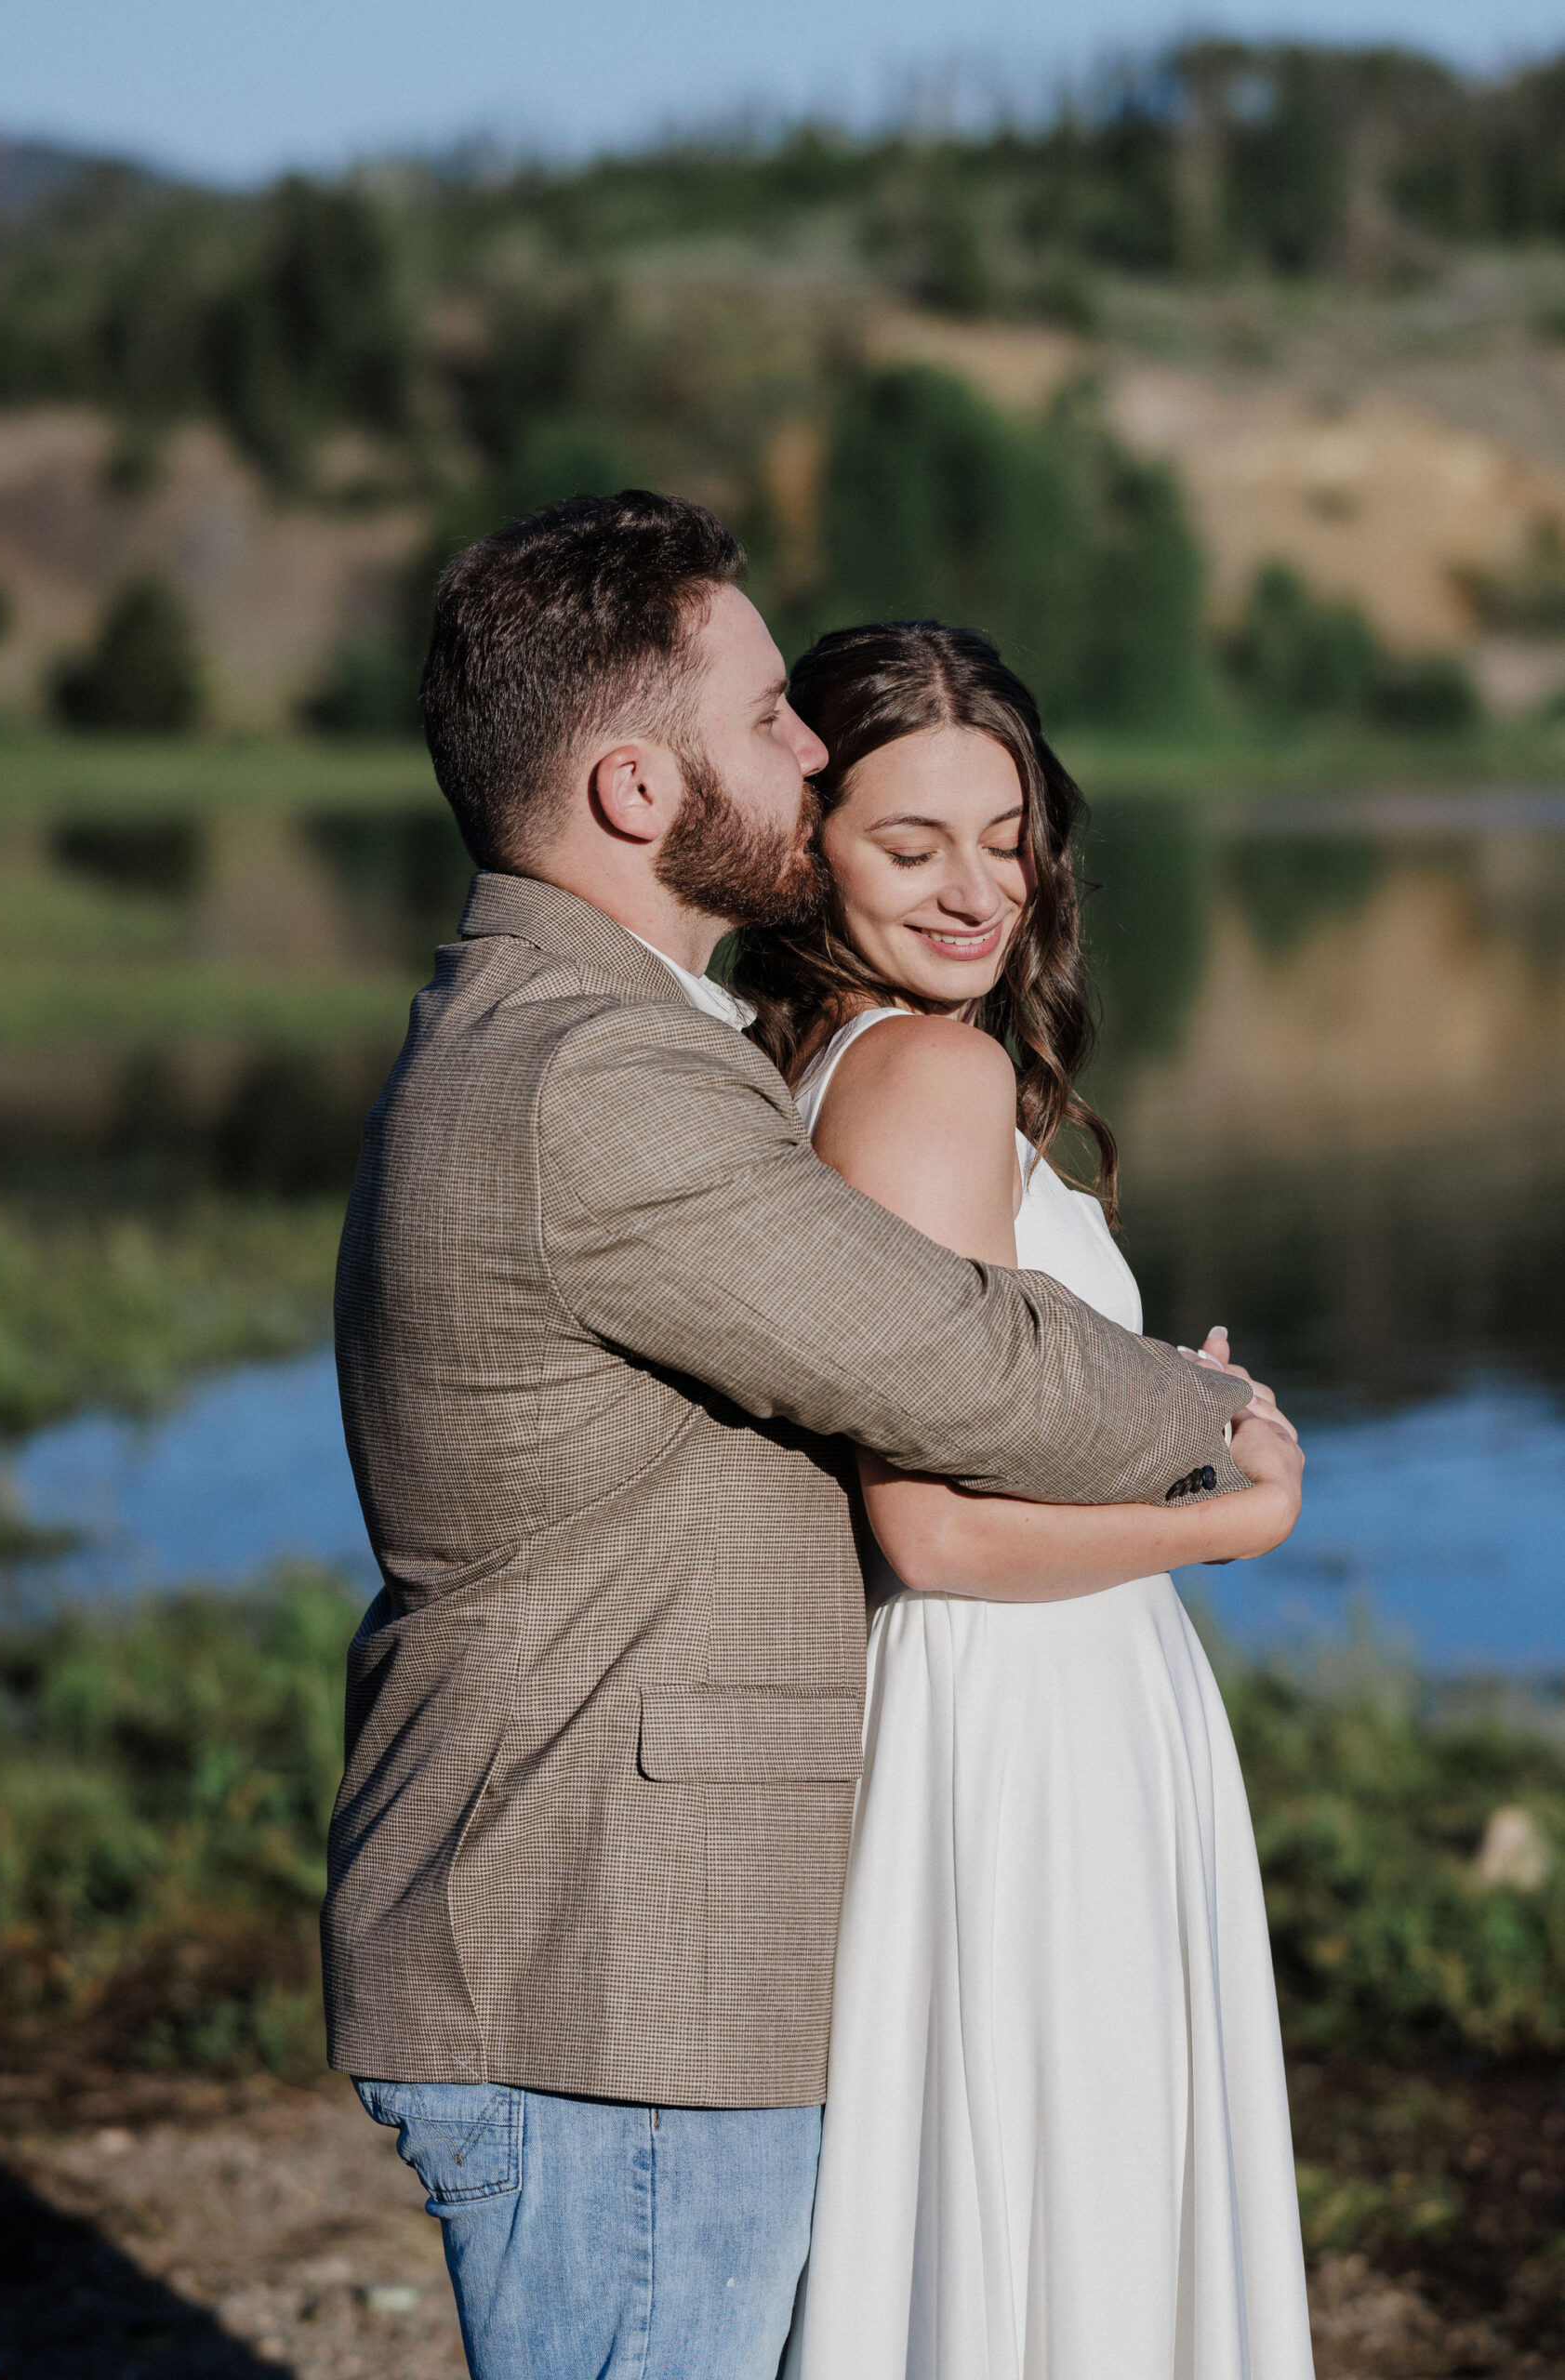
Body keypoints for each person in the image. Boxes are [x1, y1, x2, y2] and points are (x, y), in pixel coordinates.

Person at [326, 493, 1260, 2380]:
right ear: (628, 785)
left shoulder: (605, 1031)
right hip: (607, 1967)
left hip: (600, 1948)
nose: (807, 746)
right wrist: (1222, 1429)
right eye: (770, 722)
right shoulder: (597, 1077)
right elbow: (961, 1370)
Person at [729, 619, 1313, 2380]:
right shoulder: (925, 1072)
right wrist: (1234, 1507)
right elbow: (935, 1525)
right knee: (1072, 2212)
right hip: (1023, 1713)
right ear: (803, 843)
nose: (976, 891)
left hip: (1022, 1699)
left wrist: (1156, 1408)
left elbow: (999, 1418)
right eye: (910, 846)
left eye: (1004, 839)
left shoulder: (836, 1053)